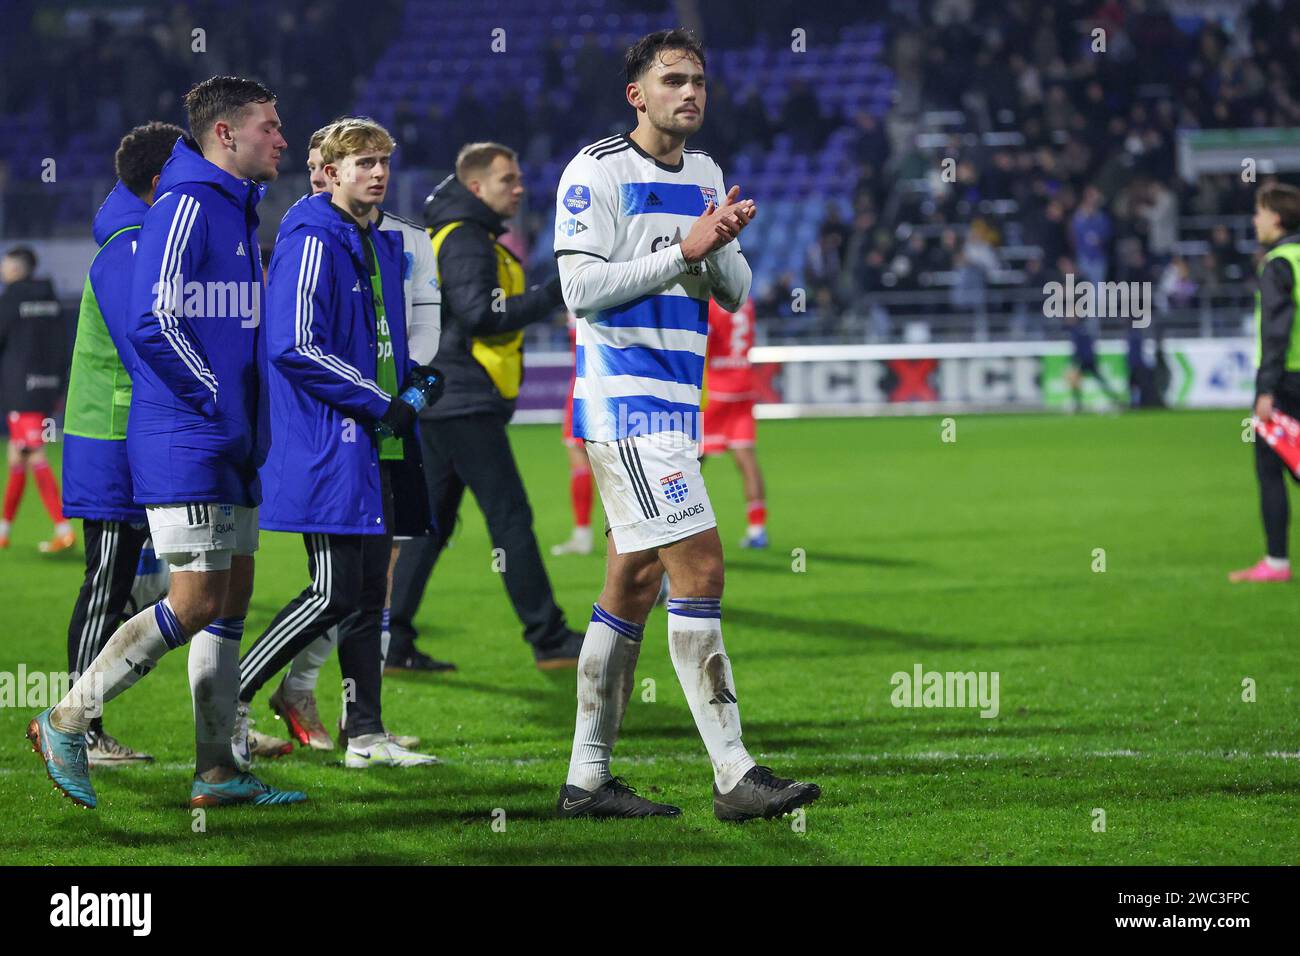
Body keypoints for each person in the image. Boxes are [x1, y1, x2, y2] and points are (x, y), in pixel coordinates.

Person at [552, 29, 820, 820]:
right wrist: (683, 249)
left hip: (677, 406)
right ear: (637, 95)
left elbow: (732, 290)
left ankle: (586, 781)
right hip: (625, 406)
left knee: (631, 587)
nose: (690, 92)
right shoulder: (596, 170)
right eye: (673, 80)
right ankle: (734, 773)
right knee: (699, 569)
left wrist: (718, 245)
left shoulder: (704, 172)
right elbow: (579, 290)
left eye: (698, 80)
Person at [28, 75, 305, 811]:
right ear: (226, 135)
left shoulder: (239, 210)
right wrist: (217, 403)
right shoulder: (184, 203)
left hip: (233, 441)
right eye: (270, 126)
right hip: (189, 438)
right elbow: (154, 321)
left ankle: (217, 771)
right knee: (193, 598)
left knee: (232, 593)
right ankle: (66, 719)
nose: (282, 138)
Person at [234, 117, 441, 768]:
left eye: (383, 160)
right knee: (332, 591)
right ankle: (228, 700)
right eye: (361, 163)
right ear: (327, 172)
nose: (377, 172)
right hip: (329, 442)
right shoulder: (313, 237)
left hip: (376, 443)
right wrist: (384, 401)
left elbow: (377, 344)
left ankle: (367, 736)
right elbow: (294, 344)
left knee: (369, 595)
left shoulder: (380, 243)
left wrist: (413, 383)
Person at [387, 142, 584, 670]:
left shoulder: (453, 232)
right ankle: (549, 637)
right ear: (476, 188)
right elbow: (478, 313)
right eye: (507, 180)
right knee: (510, 519)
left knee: (429, 526)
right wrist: (552, 294)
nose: (519, 188)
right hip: (463, 401)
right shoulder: (468, 239)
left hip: (441, 396)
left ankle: (392, 640)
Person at [60, 121, 182, 767]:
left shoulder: (141, 236)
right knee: (107, 580)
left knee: (140, 587)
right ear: (163, 180)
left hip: (129, 430)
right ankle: (78, 728)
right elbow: (145, 347)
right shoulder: (131, 243)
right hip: (110, 434)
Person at [1231, 183, 1300, 583]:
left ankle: (1276, 562)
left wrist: (1266, 389)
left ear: (1276, 217)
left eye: (1259, 212)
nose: (1255, 220)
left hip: (1287, 379)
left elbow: (1276, 331)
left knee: (1271, 464)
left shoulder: (1278, 263)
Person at [0, 246, 70, 552]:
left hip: (21, 392)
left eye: (5, 263)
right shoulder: (52, 299)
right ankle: (4, 530)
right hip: (49, 393)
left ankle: (63, 528)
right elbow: (64, 343)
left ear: (16, 268)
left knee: (34, 456)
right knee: (18, 457)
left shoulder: (11, 298)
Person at [701, 296, 767, 548]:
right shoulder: (746, 300)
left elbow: (703, 341)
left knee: (690, 460)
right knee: (746, 458)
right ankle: (757, 528)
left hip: (717, 388)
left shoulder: (708, 303)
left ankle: (675, 523)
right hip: (744, 384)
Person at [552, 311, 595, 556]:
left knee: (582, 459)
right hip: (607, 385)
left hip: (585, 387)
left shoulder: (576, 294)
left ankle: (583, 535)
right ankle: (584, 535)